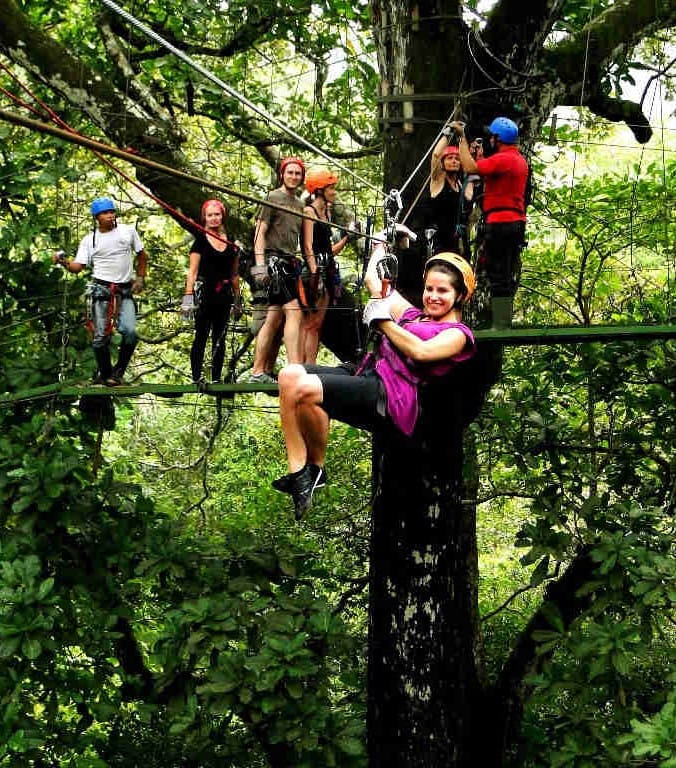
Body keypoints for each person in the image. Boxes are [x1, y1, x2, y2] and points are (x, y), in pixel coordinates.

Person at [274, 250, 476, 518]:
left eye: (443, 291)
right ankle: (301, 472)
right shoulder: (414, 315)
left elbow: (422, 352)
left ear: (460, 296)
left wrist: (382, 321)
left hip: (392, 395)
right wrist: (382, 241)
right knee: (288, 375)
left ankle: (314, 468)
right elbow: (373, 279)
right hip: (367, 373)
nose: (433, 296)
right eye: (429, 289)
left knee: (305, 389)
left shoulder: (457, 335)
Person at [53, 196, 147, 385]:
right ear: (97, 217)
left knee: (129, 332)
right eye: (105, 213)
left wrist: (140, 278)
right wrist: (63, 261)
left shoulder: (127, 232)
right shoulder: (90, 240)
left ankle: (117, 372)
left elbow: (142, 256)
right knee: (100, 337)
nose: (110, 216)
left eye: (112, 212)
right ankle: (106, 374)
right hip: (101, 290)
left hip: (125, 290)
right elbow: (78, 267)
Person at [451, 116, 529, 329]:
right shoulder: (517, 160)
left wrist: (462, 139)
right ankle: (503, 321)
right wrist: (482, 156)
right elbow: (491, 175)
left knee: (497, 273)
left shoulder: (503, 159)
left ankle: (501, 324)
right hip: (515, 222)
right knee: (504, 271)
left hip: (501, 222)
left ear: (497, 138)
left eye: (492, 137)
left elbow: (469, 168)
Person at [249, 157, 306, 383]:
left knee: (273, 319)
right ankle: (294, 367)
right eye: (290, 172)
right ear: (282, 174)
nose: (293, 177)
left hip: (289, 262)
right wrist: (260, 265)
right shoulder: (272, 197)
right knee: (295, 312)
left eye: (297, 173)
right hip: (273, 262)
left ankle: (257, 371)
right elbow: (259, 232)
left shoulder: (300, 205)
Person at [180, 199, 242, 383]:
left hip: (224, 295)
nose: (214, 218)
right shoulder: (200, 242)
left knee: (219, 337)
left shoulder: (231, 244)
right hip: (205, 293)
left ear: (222, 216)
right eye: (210, 215)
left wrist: (238, 299)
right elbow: (192, 272)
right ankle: (196, 376)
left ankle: (215, 378)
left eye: (217, 215)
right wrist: (187, 297)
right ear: (204, 218)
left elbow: (235, 274)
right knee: (201, 335)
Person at [300, 168, 349, 364]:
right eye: (331, 188)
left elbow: (329, 252)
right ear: (319, 190)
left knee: (317, 324)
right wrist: (314, 274)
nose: (334, 192)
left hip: (326, 270)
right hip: (314, 273)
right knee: (310, 324)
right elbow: (307, 245)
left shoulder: (326, 213)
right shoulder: (309, 211)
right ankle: (305, 365)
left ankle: (310, 365)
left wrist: (347, 238)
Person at [426, 131, 474, 258]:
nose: (454, 161)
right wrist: (448, 133)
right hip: (440, 243)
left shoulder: (461, 185)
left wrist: (463, 138)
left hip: (459, 243)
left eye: (457, 159)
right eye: (450, 158)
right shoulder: (438, 181)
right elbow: (436, 155)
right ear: (443, 163)